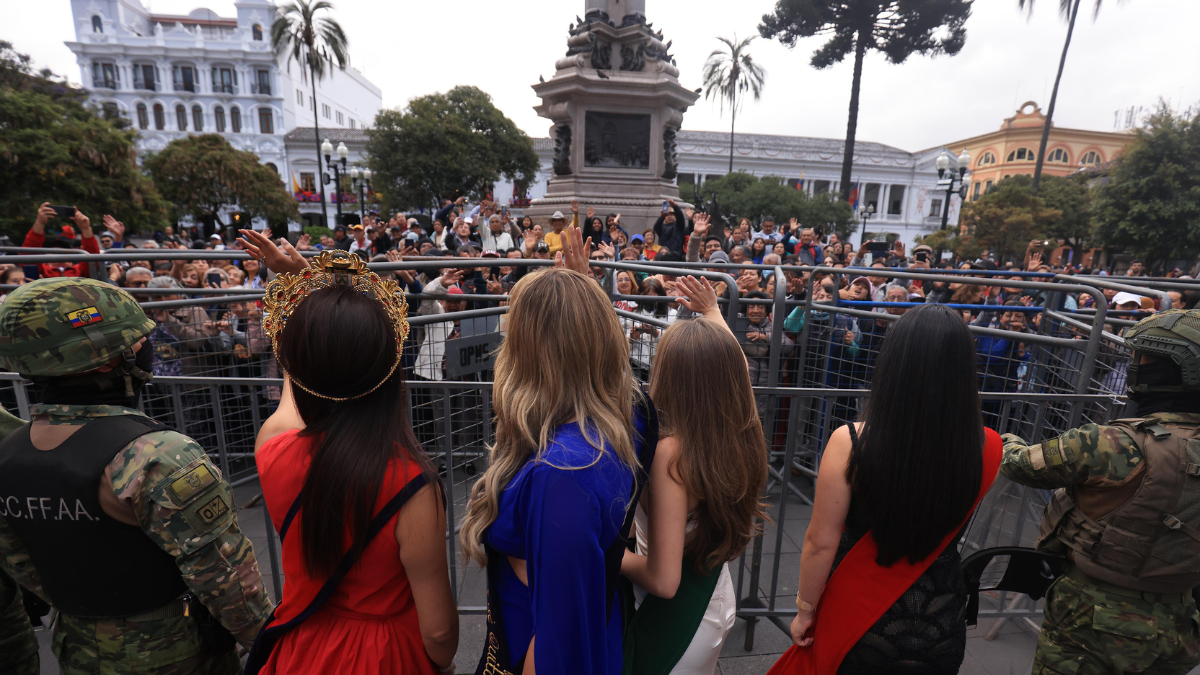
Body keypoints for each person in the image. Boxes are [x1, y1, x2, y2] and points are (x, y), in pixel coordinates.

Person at [0, 278, 272, 675]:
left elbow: (24, 565)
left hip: (77, 648)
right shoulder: (158, 455)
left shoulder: (8, 452)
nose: (146, 346)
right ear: (112, 358)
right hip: (177, 654)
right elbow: (226, 581)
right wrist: (272, 648)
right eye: (138, 337)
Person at [237, 235, 460, 674]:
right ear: (390, 369)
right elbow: (438, 635)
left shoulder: (272, 445)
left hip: (300, 648)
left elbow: (302, 376)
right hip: (386, 657)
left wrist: (305, 287)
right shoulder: (412, 484)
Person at [458, 226, 658, 675]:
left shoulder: (563, 472)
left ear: (529, 354)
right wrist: (583, 297)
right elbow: (616, 375)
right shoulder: (626, 417)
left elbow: (558, 645)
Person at [768, 303, 1002, 675]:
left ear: (893, 363)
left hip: (859, 620)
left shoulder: (851, 442)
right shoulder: (988, 446)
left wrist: (804, 611)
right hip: (940, 618)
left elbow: (820, 542)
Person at [1000, 309, 1200, 675]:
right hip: (1180, 623)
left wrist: (1002, 438)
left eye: (1144, 356)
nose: (1135, 363)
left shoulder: (1108, 444)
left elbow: (1019, 464)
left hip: (1093, 619)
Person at [622, 276, 769, 675]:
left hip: (674, 618)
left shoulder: (671, 454)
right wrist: (713, 313)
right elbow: (733, 367)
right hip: (716, 598)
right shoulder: (743, 432)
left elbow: (664, 580)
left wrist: (607, 552)